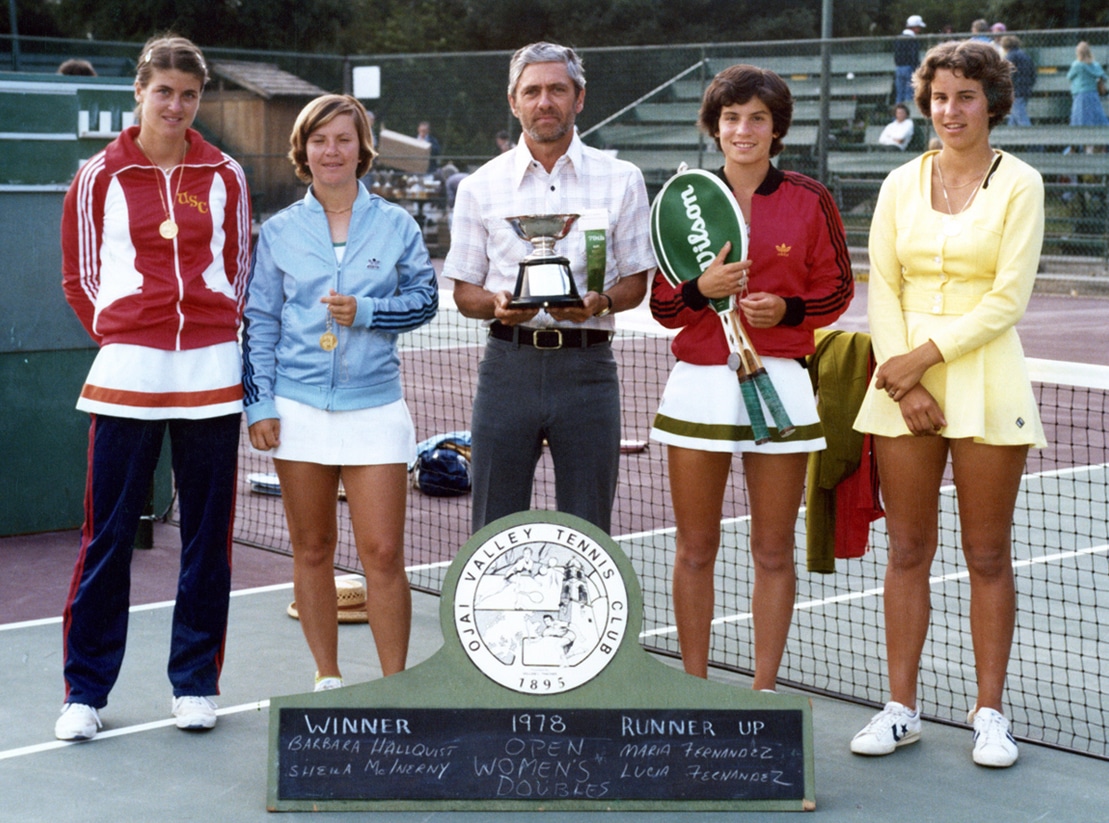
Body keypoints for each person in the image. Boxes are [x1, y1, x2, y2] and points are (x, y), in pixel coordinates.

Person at [851, 40, 1045, 769]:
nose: (950, 110)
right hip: (902, 388)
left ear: (992, 103)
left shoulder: (1020, 183)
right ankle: (900, 709)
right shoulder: (899, 182)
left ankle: (989, 714)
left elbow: (1006, 300)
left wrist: (920, 361)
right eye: (939, 97)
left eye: (965, 96)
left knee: (987, 554)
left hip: (986, 379)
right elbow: (885, 285)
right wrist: (904, 383)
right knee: (907, 550)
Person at [57, 34, 251, 742]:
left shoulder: (225, 173)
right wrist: (128, 337)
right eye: (163, 91)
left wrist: (207, 333)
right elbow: (80, 278)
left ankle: (194, 682)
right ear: (139, 92)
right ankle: (85, 691)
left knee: (207, 535)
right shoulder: (97, 176)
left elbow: (239, 268)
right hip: (128, 372)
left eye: (189, 94)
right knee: (107, 534)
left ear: (200, 99)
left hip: (210, 372)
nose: (175, 105)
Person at [648, 64, 854, 689]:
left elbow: (838, 289)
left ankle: (764, 692)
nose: (744, 130)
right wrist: (700, 288)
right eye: (732, 117)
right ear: (714, 127)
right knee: (695, 547)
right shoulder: (682, 199)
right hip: (700, 383)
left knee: (772, 549)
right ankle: (694, 688)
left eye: (758, 118)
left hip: (780, 381)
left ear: (776, 128)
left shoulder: (810, 198)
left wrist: (786, 310)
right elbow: (663, 308)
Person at [242, 94, 438, 691]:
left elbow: (425, 300)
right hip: (297, 411)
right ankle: (327, 677)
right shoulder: (279, 230)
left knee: (383, 553)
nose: (332, 151)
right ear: (303, 150)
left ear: (362, 149)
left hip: (376, 409)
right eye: (320, 140)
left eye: (344, 139)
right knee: (312, 549)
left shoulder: (397, 224)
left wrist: (370, 311)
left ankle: (394, 687)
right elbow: (259, 321)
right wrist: (260, 403)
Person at [443, 41, 655, 535]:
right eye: (532, 91)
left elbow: (635, 283)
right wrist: (496, 304)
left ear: (579, 98)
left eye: (557, 90)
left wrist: (600, 302)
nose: (545, 102)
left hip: (588, 369)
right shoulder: (478, 186)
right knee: (494, 526)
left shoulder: (623, 179)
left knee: (588, 527)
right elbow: (465, 293)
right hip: (507, 368)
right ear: (513, 101)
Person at [1067, 41, 1109, 128]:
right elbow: (1103, 76)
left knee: (1080, 118)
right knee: (1096, 116)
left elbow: (1069, 76)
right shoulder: (1095, 65)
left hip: (1080, 95)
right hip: (1092, 94)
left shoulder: (1076, 65)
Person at [1001, 36, 1035, 127]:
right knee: (1014, 115)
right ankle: (1010, 133)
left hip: (1015, 90)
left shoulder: (1010, 56)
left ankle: (1029, 133)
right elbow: (1033, 73)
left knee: (1020, 115)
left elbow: (1007, 74)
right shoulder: (1025, 55)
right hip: (1026, 88)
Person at [894, 15, 926, 105]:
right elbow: (914, 56)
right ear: (915, 27)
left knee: (900, 94)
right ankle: (908, 111)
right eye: (918, 27)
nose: (919, 30)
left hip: (899, 68)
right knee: (909, 93)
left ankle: (898, 110)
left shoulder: (899, 38)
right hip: (909, 68)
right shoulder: (912, 39)